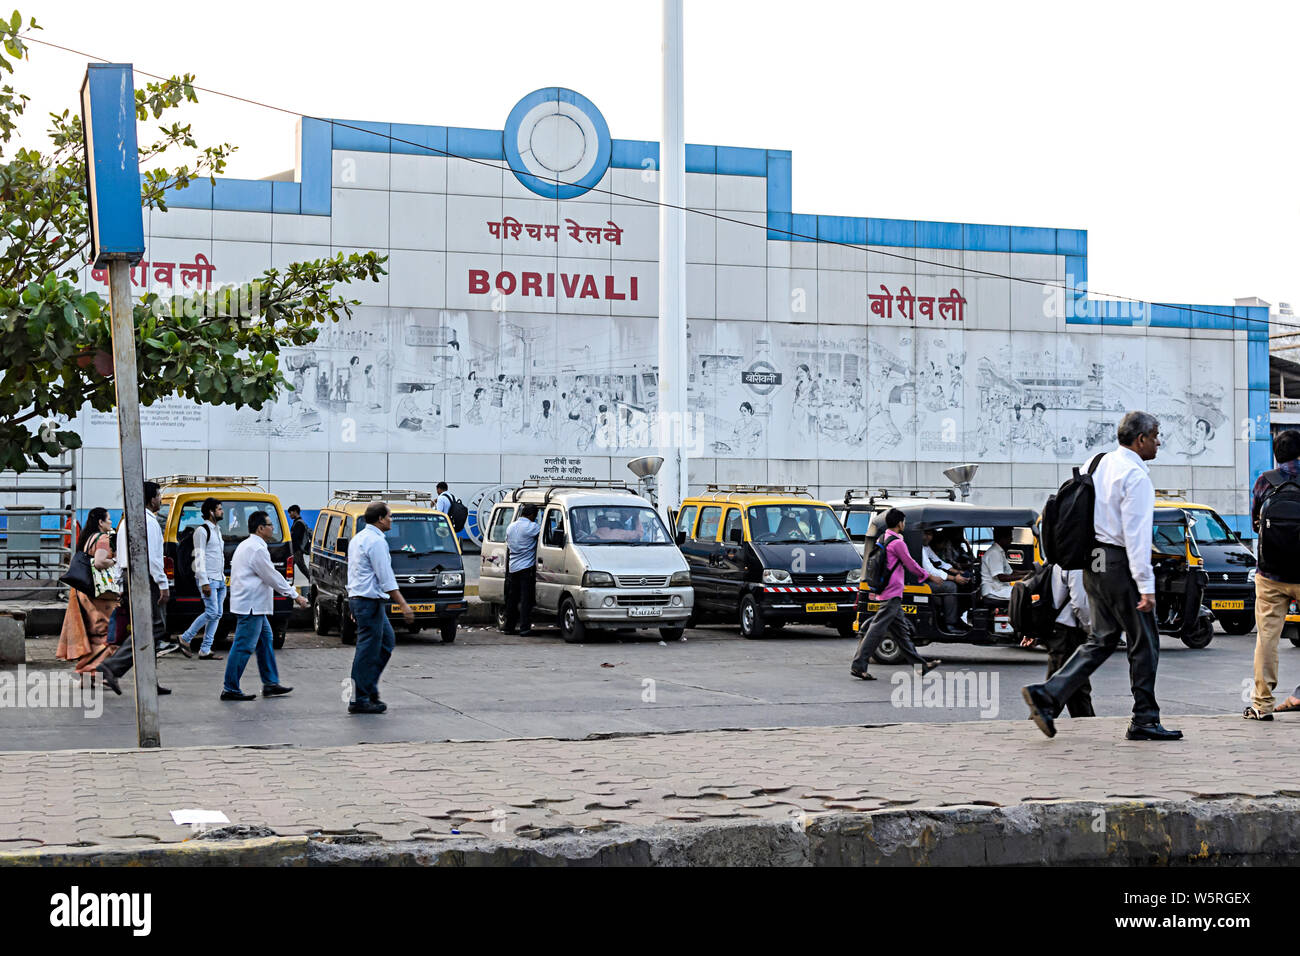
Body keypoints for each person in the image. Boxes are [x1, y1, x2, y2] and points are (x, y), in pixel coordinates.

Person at [1023, 410, 1182, 741]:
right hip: (1118, 565)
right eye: (1156, 436)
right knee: (1145, 642)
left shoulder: (1095, 463)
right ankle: (1145, 719)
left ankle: (1048, 696)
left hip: (1091, 564)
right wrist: (1146, 586)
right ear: (1140, 440)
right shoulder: (1136, 477)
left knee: (1101, 639)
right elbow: (1135, 536)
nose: (1158, 442)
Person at [97, 481, 175, 696]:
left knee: (146, 627)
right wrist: (163, 584)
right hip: (145, 577)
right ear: (151, 499)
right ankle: (112, 667)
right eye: (158, 496)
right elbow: (152, 557)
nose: (160, 500)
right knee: (152, 627)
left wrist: (120, 584)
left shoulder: (127, 521)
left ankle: (148, 680)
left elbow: (121, 556)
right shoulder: (147, 522)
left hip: (130, 575)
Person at [850, 509, 947, 680]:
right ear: (899, 523)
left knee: (902, 633)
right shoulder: (897, 543)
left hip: (887, 590)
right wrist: (930, 576)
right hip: (892, 592)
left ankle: (920, 667)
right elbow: (910, 564)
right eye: (903, 521)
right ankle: (858, 665)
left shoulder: (883, 538)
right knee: (876, 630)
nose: (904, 524)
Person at [1245, 429, 1300, 720]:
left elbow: (1256, 524)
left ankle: (1262, 705)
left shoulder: (1265, 481)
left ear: (1276, 455)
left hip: (1270, 574)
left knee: (1267, 637)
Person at [222, 510, 306, 701]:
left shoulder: (248, 545)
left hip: (253, 605)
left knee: (265, 641)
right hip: (252, 606)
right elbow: (272, 577)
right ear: (261, 528)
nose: (272, 527)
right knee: (243, 647)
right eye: (269, 524)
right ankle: (230, 688)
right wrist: (296, 596)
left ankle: (270, 683)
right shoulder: (256, 549)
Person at [346, 501, 414, 714]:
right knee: (367, 650)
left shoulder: (359, 539)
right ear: (381, 519)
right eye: (390, 517)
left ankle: (368, 687)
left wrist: (352, 601)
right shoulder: (376, 542)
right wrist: (403, 604)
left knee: (386, 642)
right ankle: (359, 698)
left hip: (363, 599)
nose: (391, 520)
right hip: (368, 602)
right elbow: (385, 577)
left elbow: (354, 572)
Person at [1020, 566, 1095, 718]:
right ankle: (1034, 722)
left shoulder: (1054, 562)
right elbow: (1080, 604)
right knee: (1060, 686)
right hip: (1069, 632)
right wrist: (1091, 627)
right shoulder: (1076, 567)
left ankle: (1087, 723)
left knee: (1076, 685)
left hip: (1056, 629)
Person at [56, 508, 118, 677]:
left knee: (91, 633)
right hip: (100, 593)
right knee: (107, 632)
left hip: (84, 591)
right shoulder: (103, 538)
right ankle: (95, 670)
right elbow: (99, 562)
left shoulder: (88, 538)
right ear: (101, 522)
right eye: (109, 519)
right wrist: (114, 560)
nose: (111, 522)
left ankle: (88, 671)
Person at [181, 498, 226, 660]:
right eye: (219, 509)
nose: (222, 511)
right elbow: (198, 558)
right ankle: (185, 637)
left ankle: (205, 649)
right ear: (211, 512)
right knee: (212, 611)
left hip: (220, 579)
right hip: (209, 580)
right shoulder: (202, 531)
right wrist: (204, 581)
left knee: (217, 614)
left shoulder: (217, 530)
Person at [504, 503, 542, 636]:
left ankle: (509, 627)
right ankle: (524, 628)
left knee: (512, 599)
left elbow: (508, 543)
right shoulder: (532, 527)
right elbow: (543, 537)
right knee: (526, 600)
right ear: (531, 515)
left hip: (513, 567)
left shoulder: (510, 526)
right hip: (526, 568)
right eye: (535, 516)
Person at [921, 528, 969, 633]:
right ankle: (950, 624)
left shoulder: (926, 547)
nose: (928, 537)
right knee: (951, 586)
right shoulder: (919, 548)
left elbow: (939, 562)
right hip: (921, 582)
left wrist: (957, 571)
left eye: (930, 534)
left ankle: (957, 618)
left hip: (929, 578)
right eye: (926, 534)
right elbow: (930, 570)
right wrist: (954, 578)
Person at [979, 527, 1025, 607]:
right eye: (1009, 537)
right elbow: (1002, 578)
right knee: (1024, 594)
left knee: (1023, 591)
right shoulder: (994, 553)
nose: (1011, 539)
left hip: (999, 589)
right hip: (993, 591)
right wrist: (1024, 577)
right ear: (1002, 538)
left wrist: (1029, 572)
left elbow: (1011, 572)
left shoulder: (999, 551)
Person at [287, 504, 310, 583]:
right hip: (295, 550)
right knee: (289, 567)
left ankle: (313, 581)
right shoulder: (297, 522)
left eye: (291, 512)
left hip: (297, 550)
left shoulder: (299, 523)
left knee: (302, 568)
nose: (289, 515)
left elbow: (295, 537)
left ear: (295, 512)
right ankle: (290, 582)